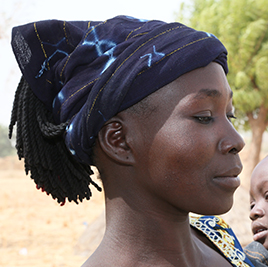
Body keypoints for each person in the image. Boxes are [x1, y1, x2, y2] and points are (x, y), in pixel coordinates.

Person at [9, 15, 255, 267]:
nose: (236, 140)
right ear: (119, 141)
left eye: (229, 115)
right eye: (204, 117)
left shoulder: (220, 239)